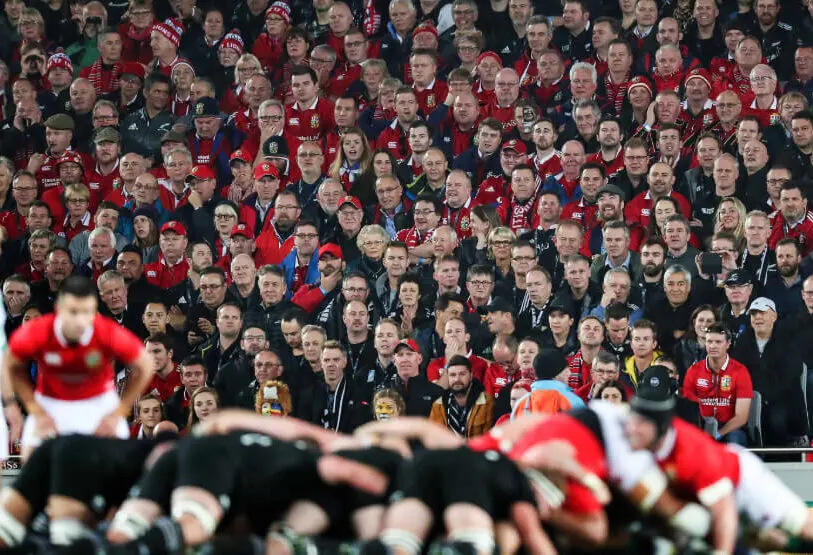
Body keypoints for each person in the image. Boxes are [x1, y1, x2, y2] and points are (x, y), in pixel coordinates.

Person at [5, 276, 153, 457]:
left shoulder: (107, 330)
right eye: (73, 312)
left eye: (87, 312)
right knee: (30, 457)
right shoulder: (39, 330)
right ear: (59, 310)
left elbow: (145, 364)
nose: (80, 320)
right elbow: (9, 364)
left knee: (117, 465)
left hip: (99, 402)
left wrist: (121, 410)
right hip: (51, 401)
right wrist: (31, 404)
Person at [682, 322, 753, 445]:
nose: (713, 346)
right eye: (709, 342)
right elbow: (688, 410)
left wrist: (718, 433)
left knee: (734, 441)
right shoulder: (693, 371)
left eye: (718, 342)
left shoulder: (740, 371)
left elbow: (741, 417)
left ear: (728, 344)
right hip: (701, 426)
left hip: (731, 428)